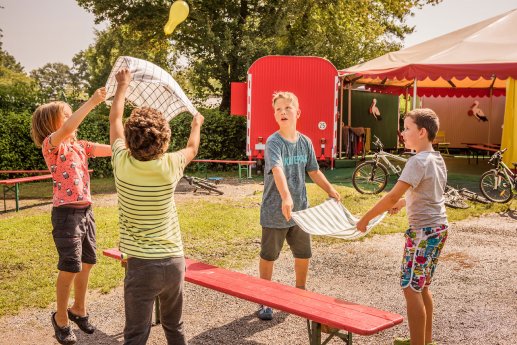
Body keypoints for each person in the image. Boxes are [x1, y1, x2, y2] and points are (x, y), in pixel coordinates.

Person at [109, 68, 204, 345]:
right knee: (175, 327)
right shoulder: (170, 165)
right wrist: (195, 124)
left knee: (136, 335)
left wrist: (123, 85)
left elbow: (115, 117)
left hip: (140, 267)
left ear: (128, 140)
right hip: (174, 262)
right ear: (165, 141)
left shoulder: (121, 163)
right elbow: (193, 148)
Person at [356, 108, 448, 345]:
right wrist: (403, 203)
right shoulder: (436, 159)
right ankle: (424, 341)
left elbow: (389, 196)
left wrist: (365, 219)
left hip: (422, 233)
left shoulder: (416, 162)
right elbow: (428, 194)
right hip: (438, 228)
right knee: (422, 286)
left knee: (410, 288)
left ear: (422, 131)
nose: (403, 133)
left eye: (407, 128)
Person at [31, 89, 112, 345]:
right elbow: (67, 129)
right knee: (70, 267)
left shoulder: (80, 146)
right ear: (51, 124)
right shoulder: (52, 145)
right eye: (65, 115)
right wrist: (92, 102)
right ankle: (61, 318)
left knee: (87, 262)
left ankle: (79, 309)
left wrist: (132, 145)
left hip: (86, 212)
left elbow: (111, 149)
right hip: (66, 215)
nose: (70, 118)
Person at [257, 91, 341, 320]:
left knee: (303, 253)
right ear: (274, 115)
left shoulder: (305, 142)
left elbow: (313, 170)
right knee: (269, 255)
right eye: (278, 109)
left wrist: (329, 189)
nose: (283, 112)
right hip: (276, 210)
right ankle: (265, 299)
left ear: (298, 112)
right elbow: (277, 170)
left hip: (301, 211)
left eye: (287, 108)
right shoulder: (274, 142)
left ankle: (300, 292)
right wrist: (285, 196)